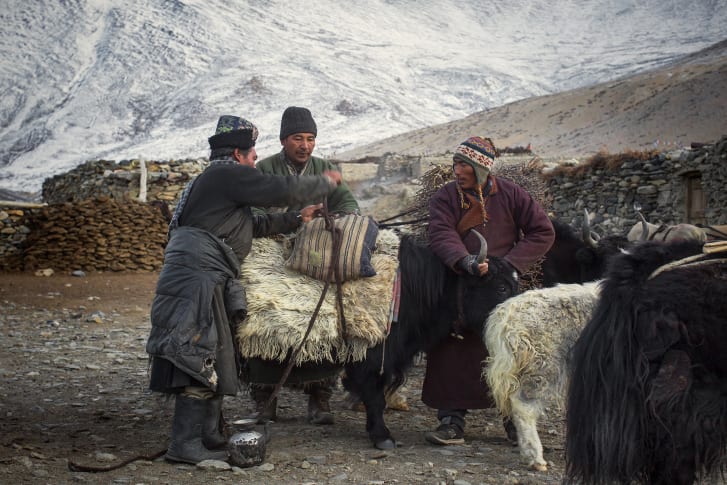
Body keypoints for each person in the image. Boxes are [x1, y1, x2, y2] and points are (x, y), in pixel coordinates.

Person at [145, 115, 343, 464]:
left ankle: (207, 436)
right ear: (238, 153)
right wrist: (325, 183)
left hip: (205, 275)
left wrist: (298, 219)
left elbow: (252, 224)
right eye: (252, 155)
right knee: (197, 352)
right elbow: (277, 190)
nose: (255, 160)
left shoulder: (217, 184)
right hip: (198, 278)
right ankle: (184, 444)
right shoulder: (226, 174)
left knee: (218, 355)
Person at [423, 136, 555, 445]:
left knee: (505, 350)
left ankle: (515, 421)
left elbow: (542, 230)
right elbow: (440, 232)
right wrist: (464, 260)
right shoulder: (445, 197)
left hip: (499, 286)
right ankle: (451, 420)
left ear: (481, 168)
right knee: (452, 347)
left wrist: (510, 265)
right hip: (456, 284)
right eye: (456, 163)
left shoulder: (511, 194)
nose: (457, 170)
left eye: (464, 165)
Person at [245, 106, 360, 426]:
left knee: (325, 317)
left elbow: (349, 204)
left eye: (311, 139)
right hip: (271, 253)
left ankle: (319, 396)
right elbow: (252, 212)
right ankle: (265, 396)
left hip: (316, 254)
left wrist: (335, 220)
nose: (305, 145)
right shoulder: (264, 168)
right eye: (298, 138)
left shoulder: (325, 167)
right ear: (284, 140)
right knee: (265, 317)